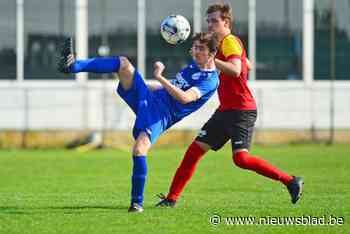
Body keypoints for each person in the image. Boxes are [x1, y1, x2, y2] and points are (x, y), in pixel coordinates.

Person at [156, 3, 303, 207]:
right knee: (193, 152)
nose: (210, 24)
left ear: (226, 22)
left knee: (241, 159)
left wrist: (212, 59)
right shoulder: (223, 44)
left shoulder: (229, 41)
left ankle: (290, 181)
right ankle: (171, 199)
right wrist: (231, 60)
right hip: (225, 110)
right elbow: (246, 65)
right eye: (208, 21)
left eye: (214, 21)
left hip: (242, 111)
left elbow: (235, 70)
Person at [57, 32, 219, 212]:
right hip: (151, 97)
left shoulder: (210, 80)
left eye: (201, 49)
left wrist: (159, 76)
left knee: (139, 149)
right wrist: (139, 82)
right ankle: (73, 66)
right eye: (194, 48)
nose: (195, 52)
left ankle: (136, 203)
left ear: (212, 53)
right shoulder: (193, 66)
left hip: (161, 115)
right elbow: (171, 87)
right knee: (123, 64)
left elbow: (185, 98)